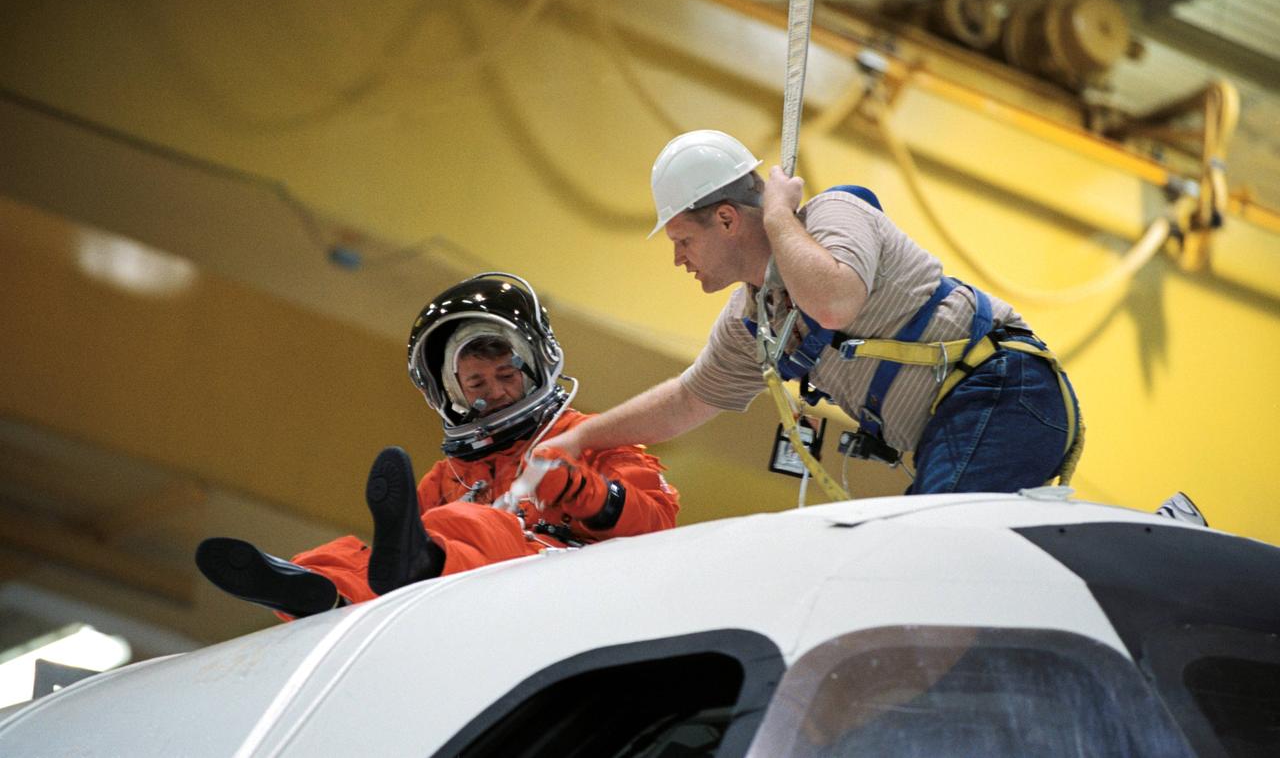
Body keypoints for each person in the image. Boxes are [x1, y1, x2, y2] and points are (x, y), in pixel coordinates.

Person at [534, 129, 1083, 495]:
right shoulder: (755, 317)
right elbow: (685, 401)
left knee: (927, 554)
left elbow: (834, 301)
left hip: (1003, 391)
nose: (677, 257)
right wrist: (581, 440)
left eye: (682, 239)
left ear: (727, 220)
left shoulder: (834, 217)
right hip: (960, 421)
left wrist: (777, 217)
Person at [195, 273, 679, 619]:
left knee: (470, 525)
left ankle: (421, 562)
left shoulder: (586, 437)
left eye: (506, 375)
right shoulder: (449, 477)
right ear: (451, 392)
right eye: (476, 383)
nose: (494, 390)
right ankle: (316, 592)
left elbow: (658, 520)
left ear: (536, 365)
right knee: (355, 558)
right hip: (460, 598)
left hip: (561, 585)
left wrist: (579, 489)